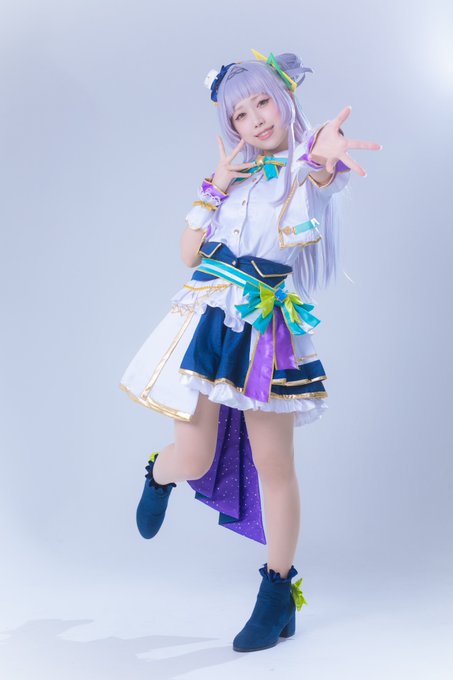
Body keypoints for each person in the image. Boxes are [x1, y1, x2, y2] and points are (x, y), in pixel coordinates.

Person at [119, 49, 381, 653]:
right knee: (193, 457)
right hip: (210, 321)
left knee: (274, 465)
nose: (256, 119)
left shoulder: (302, 167)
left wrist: (324, 157)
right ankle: (158, 475)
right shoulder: (234, 179)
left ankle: (277, 591)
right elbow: (189, 254)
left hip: (263, 326)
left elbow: (320, 176)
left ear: (285, 100)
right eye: (240, 113)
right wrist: (215, 185)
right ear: (230, 125)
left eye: (264, 102)